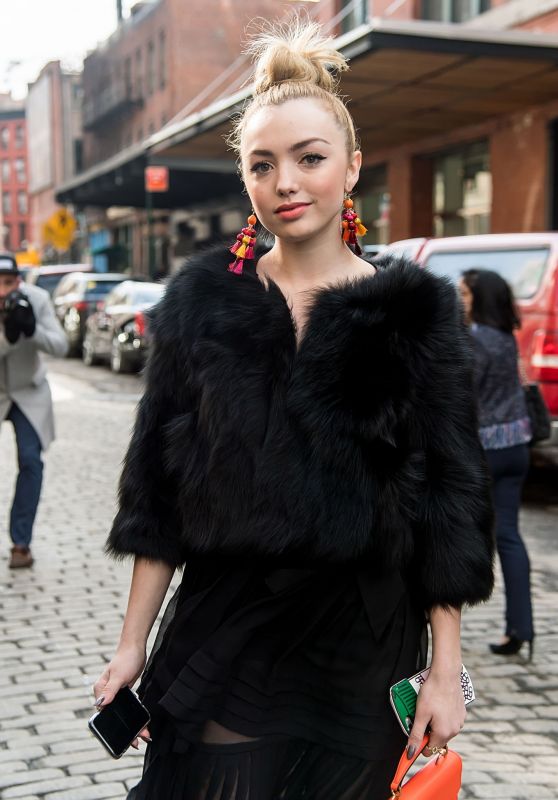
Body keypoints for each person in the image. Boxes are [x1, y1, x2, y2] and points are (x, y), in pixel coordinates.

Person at [94, 20, 494, 799]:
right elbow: (157, 495)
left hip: (363, 636)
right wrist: (131, 644)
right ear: (245, 181)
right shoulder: (202, 305)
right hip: (229, 619)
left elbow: (450, 499)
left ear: (351, 167)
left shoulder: (415, 311)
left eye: (310, 158)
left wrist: (446, 671)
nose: (287, 182)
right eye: (263, 164)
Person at [460, 269, 534, 660]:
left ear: (479, 298)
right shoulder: (507, 338)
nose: (462, 301)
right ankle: (520, 626)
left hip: (485, 450)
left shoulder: (475, 342)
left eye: (466, 294)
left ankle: (444, 618)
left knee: (459, 533)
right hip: (517, 448)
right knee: (509, 536)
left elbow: (463, 397)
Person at [0, 252, 69, 568]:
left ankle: (21, 543)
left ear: (19, 280)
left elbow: (60, 345)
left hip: (29, 392)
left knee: (31, 461)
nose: (4, 291)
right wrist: (9, 336)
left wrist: (31, 330)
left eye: (9, 282)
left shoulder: (36, 298)